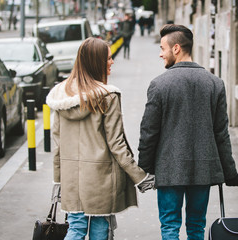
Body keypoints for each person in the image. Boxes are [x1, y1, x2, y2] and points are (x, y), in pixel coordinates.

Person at [137, 24, 238, 240]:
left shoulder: (159, 85)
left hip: (169, 170)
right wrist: (230, 173)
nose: (160, 54)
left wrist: (144, 168)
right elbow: (221, 133)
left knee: (170, 227)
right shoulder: (215, 83)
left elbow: (149, 132)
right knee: (196, 227)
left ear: (176, 49)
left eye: (162, 48)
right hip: (203, 169)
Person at [46, 37, 153, 240]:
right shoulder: (107, 96)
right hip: (100, 179)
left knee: (75, 228)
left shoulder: (61, 96)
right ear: (97, 62)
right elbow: (116, 144)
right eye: (109, 58)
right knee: (99, 229)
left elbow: (58, 144)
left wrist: (58, 180)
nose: (112, 62)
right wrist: (140, 177)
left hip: (71, 179)